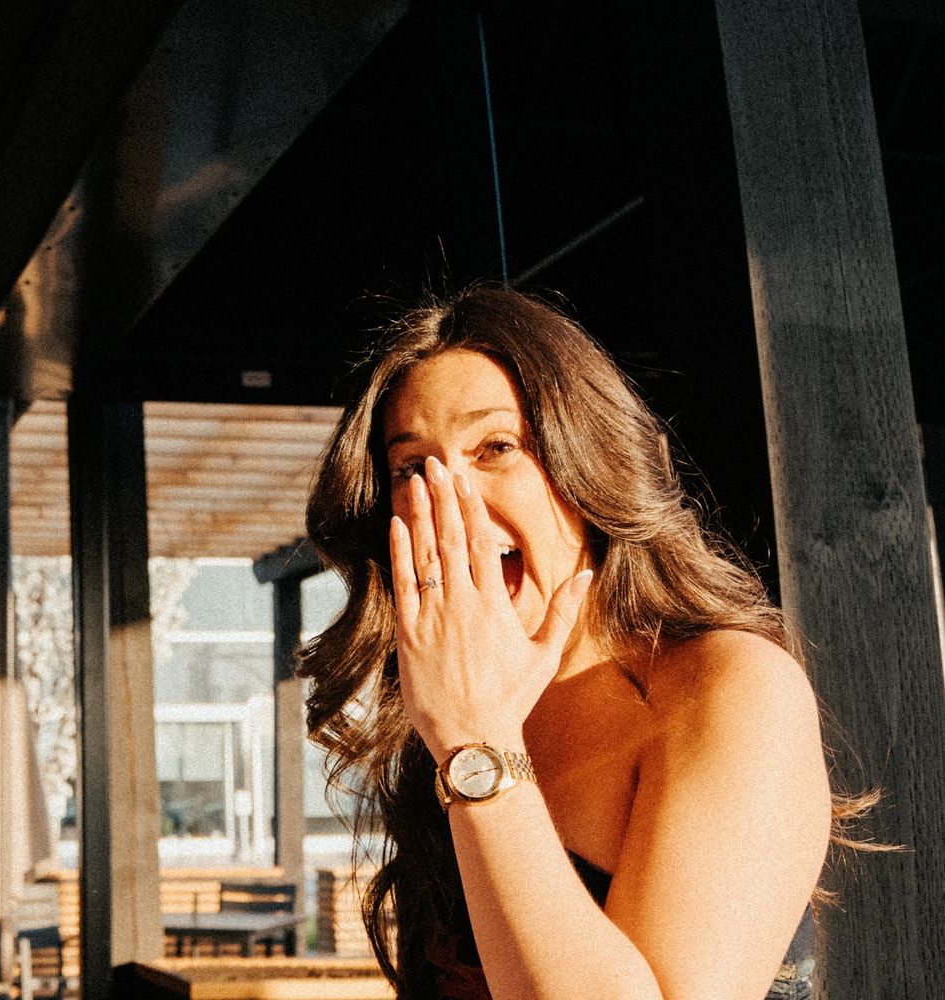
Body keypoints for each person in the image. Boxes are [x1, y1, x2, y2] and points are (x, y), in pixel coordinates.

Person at [302, 286, 854, 1000]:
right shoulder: (446, 714)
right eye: (411, 466)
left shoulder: (728, 685)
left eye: (495, 447)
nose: (449, 499)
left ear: (586, 468)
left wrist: (477, 747)